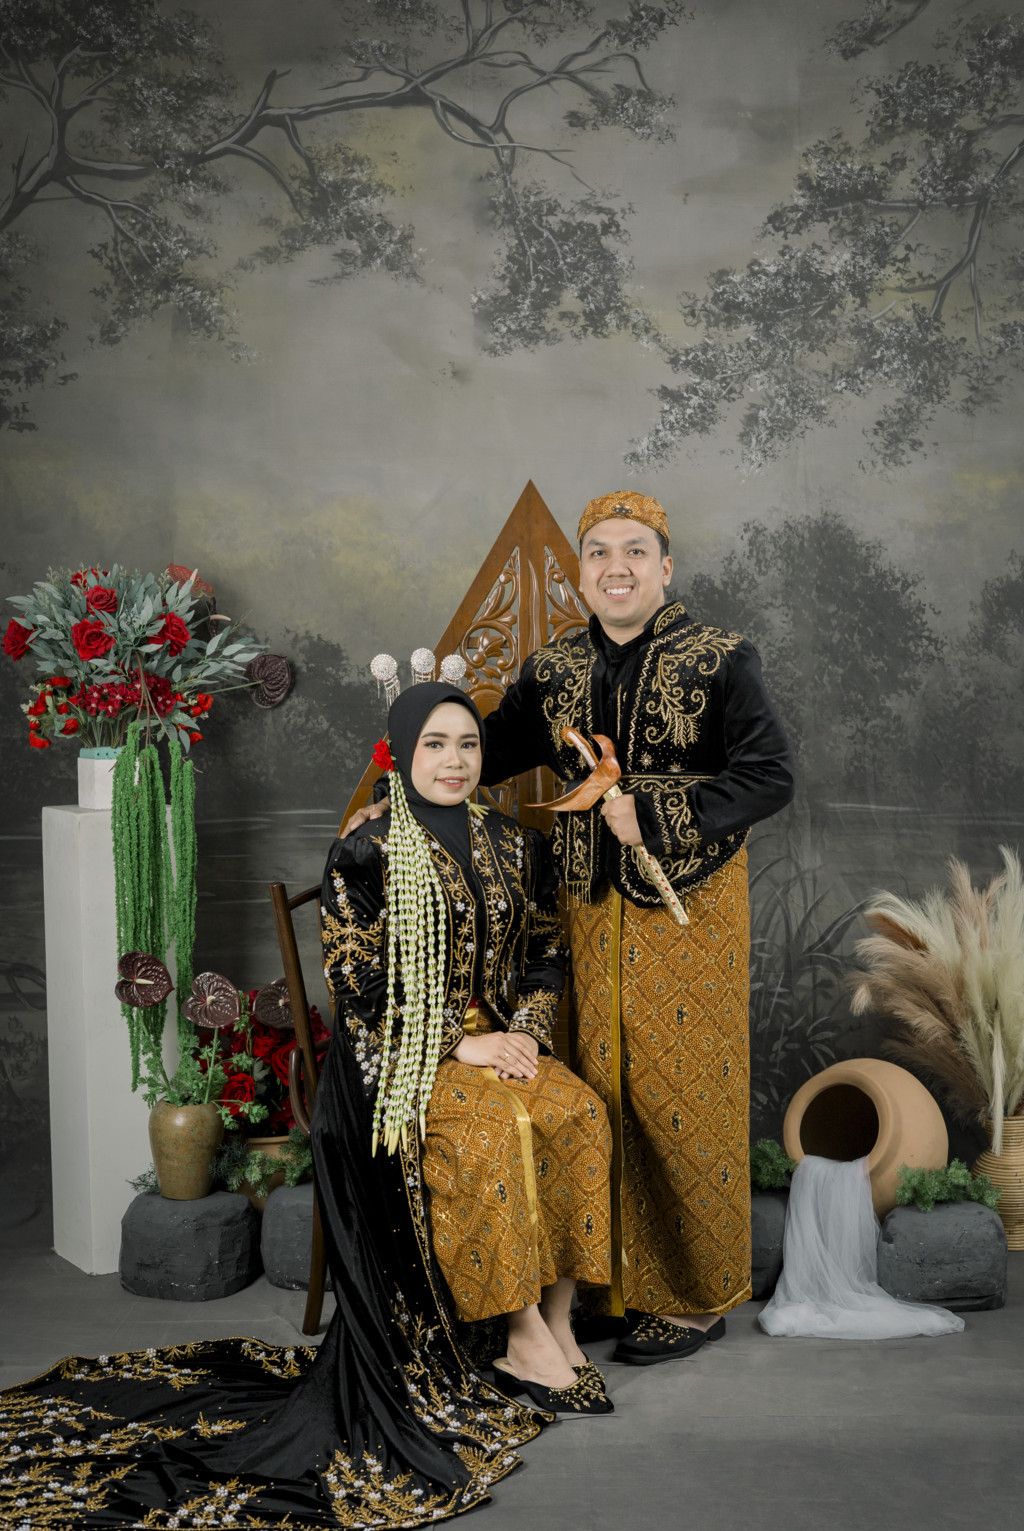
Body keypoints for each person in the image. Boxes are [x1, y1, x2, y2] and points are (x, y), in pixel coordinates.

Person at [0, 684, 612, 1530]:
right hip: (401, 1055)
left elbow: (547, 950)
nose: (454, 760)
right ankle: (520, 1333)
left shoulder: (514, 843)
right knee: (496, 1128)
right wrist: (457, 1044)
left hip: (503, 1041)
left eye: (468, 744)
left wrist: (526, 1035)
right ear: (402, 752)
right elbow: (356, 985)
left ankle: (559, 1318)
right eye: (434, 744)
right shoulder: (364, 852)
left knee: (582, 1113)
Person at [347, 491, 794, 1366]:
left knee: (678, 1096)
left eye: (635, 551)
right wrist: (393, 793)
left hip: (686, 914)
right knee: (600, 1084)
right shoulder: (553, 667)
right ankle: (605, 1286)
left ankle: (692, 1299)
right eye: (598, 553)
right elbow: (481, 750)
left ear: (665, 566)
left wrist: (656, 812)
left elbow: (769, 774)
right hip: (584, 908)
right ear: (583, 573)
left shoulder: (719, 657)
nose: (616, 567)